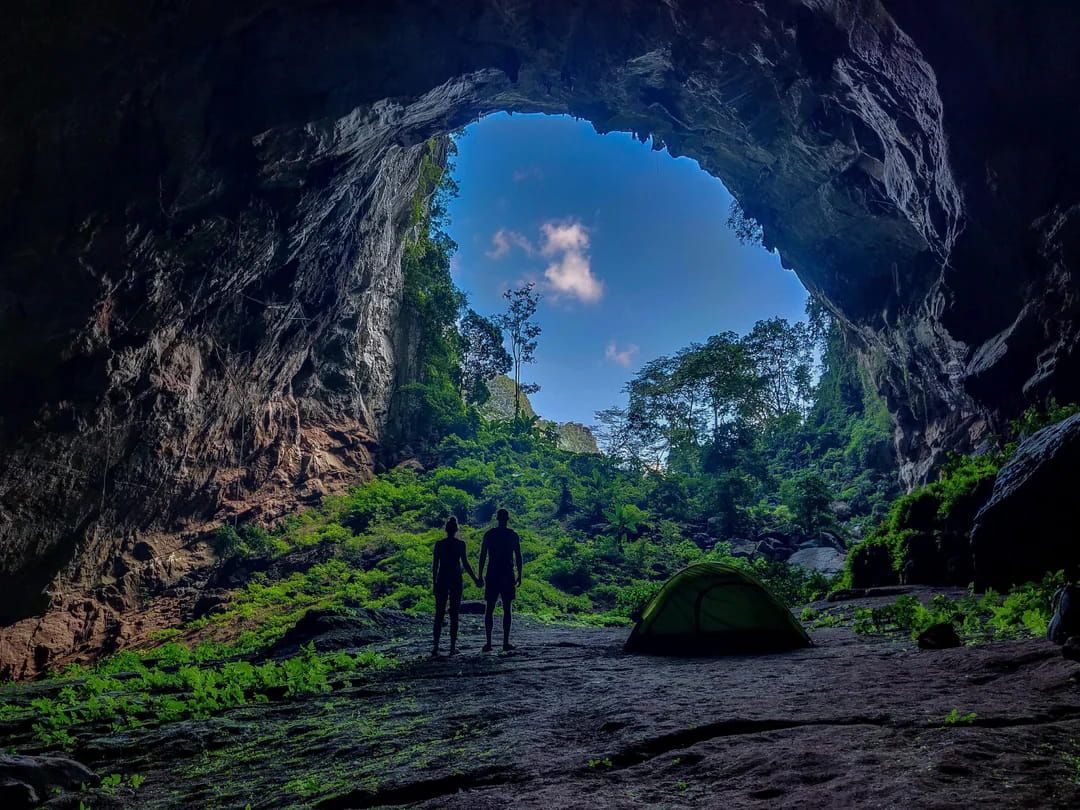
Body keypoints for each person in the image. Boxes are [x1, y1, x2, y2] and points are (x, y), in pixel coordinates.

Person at [431, 517, 479, 657]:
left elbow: (435, 566)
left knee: (439, 613)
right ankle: (452, 647)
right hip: (456, 579)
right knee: (454, 614)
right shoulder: (460, 544)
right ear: (456, 530)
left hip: (442, 578)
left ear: (446, 530)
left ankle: (435, 647)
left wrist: (434, 583)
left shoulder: (439, 544)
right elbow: (465, 563)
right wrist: (475, 579)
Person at [478, 508, 523, 652]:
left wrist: (480, 574)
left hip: (492, 573)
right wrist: (520, 574)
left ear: (497, 518)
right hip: (507, 574)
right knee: (507, 609)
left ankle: (488, 643)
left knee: (490, 608)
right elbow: (518, 556)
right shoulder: (512, 535)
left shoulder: (489, 534)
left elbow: (483, 555)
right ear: (507, 519)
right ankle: (505, 642)